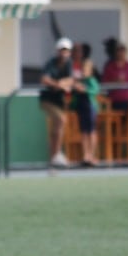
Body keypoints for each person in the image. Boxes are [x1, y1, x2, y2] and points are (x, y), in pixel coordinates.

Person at [39, 37, 76, 167]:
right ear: (57, 51)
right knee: (61, 120)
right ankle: (57, 154)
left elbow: (71, 80)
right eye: (61, 50)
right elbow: (44, 79)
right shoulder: (51, 63)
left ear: (69, 52)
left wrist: (62, 83)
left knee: (57, 128)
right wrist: (57, 84)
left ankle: (53, 156)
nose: (63, 53)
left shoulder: (69, 64)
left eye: (66, 50)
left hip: (60, 102)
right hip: (48, 100)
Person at [68, 41, 100, 167]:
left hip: (90, 108)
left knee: (91, 131)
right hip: (81, 108)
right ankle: (85, 155)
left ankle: (92, 154)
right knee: (84, 131)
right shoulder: (79, 80)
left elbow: (95, 90)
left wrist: (85, 89)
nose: (84, 71)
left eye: (86, 69)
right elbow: (75, 93)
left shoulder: (91, 81)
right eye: (83, 69)